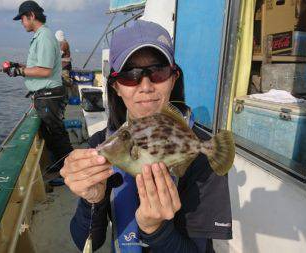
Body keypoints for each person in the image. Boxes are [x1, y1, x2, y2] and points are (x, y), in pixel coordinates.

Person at [61, 20, 232, 252]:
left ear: (173, 78)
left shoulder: (203, 157)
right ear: (116, 87)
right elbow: (86, 242)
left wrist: (155, 229)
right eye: (130, 75)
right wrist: (93, 199)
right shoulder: (99, 144)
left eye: (158, 71)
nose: (145, 86)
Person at [4, 0, 73, 169]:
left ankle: (70, 169)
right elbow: (40, 66)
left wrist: (19, 72)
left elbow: (44, 71)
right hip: (45, 95)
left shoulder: (44, 37)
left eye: (22, 19)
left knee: (56, 135)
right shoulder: (42, 36)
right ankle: (62, 167)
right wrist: (19, 66)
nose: (22, 23)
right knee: (53, 134)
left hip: (49, 95)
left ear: (32, 16)